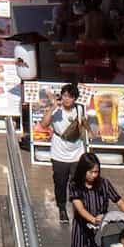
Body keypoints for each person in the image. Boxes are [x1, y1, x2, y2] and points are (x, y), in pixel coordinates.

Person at [39, 83, 87, 224]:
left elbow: (83, 124)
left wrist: (91, 133)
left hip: (77, 152)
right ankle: (62, 208)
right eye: (65, 96)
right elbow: (43, 125)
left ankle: (78, 210)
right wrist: (52, 108)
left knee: (77, 182)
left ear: (75, 98)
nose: (67, 99)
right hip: (59, 153)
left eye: (70, 97)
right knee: (60, 182)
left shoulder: (79, 109)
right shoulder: (56, 110)